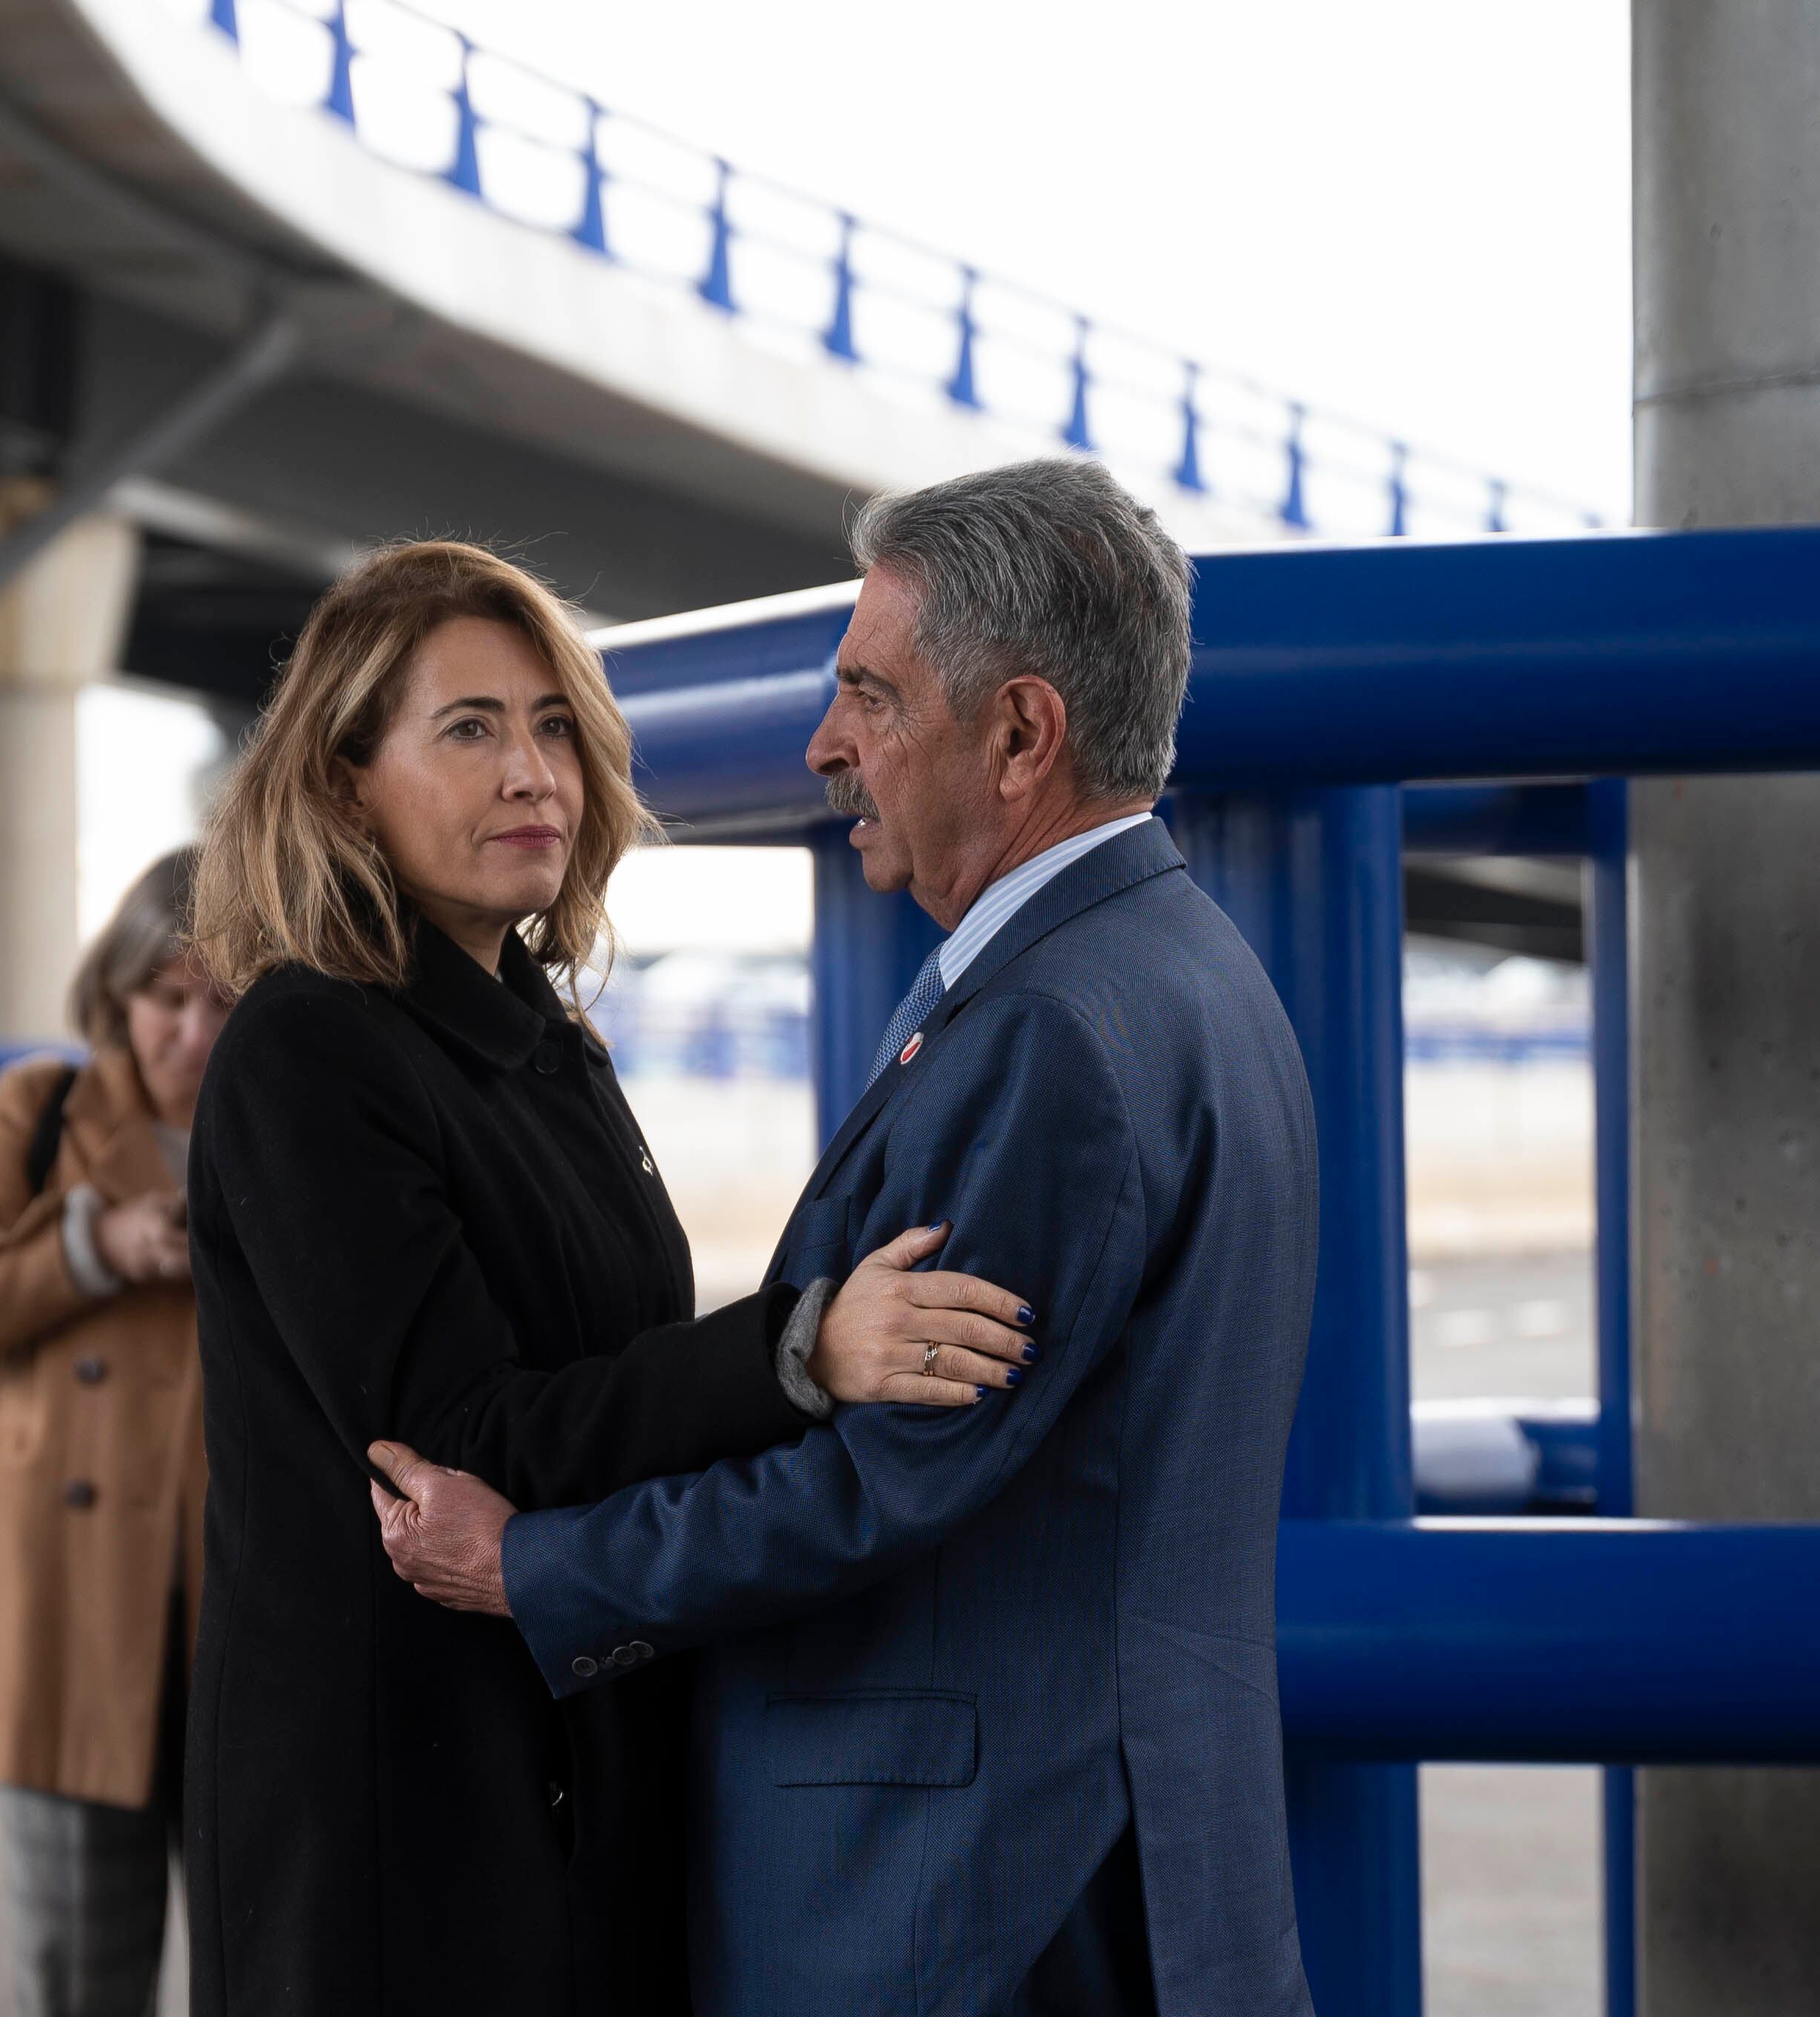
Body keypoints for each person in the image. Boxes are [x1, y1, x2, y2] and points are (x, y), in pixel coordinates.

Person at [375, 459, 1323, 2016]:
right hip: (1122, 1835)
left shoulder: (1048, 1037)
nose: (829, 746)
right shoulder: (1188, 971)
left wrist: (532, 1563)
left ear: (1019, 734)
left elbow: (879, 1489)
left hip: (962, 1887)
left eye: (870, 697)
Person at [178, 540, 1033, 2017]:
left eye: (554, 724)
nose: (534, 774)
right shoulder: (308, 1049)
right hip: (404, 1820)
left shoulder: (548, 1040)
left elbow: (605, 1369)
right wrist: (800, 1351)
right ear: (342, 781)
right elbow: (454, 1432)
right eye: (470, 730)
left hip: (579, 1760)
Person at [0, 848, 227, 2017]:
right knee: (81, 1977)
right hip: (65, 1607)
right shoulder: (42, 1111)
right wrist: (94, 1247)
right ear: (118, 996)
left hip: (239, 1613)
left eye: (226, 999)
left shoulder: (308, 1126)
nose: (191, 1031)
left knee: (268, 1967)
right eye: (166, 997)